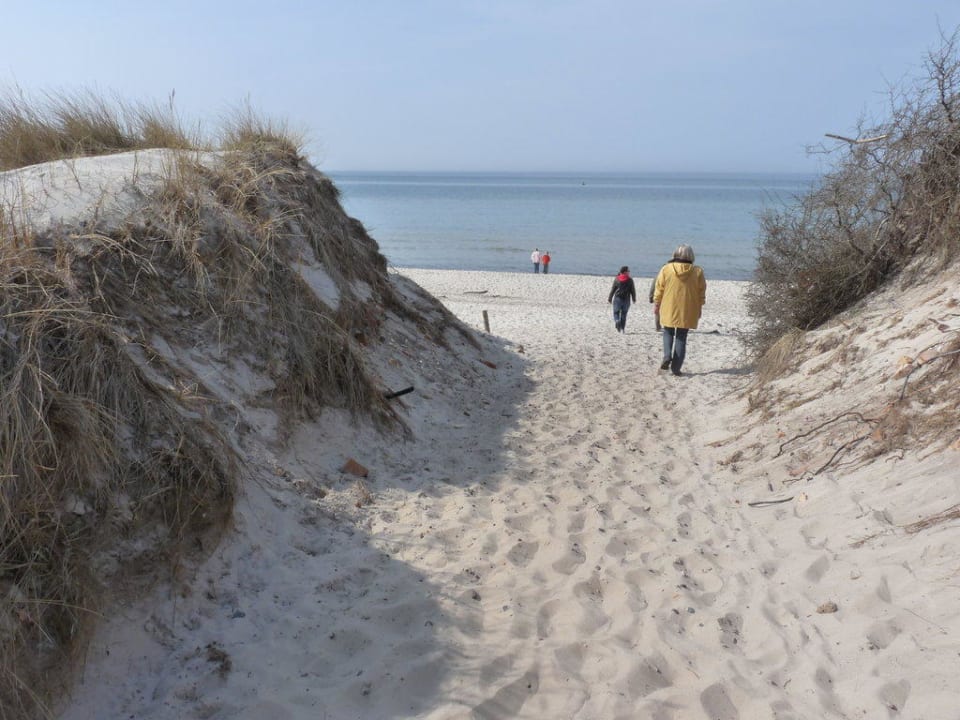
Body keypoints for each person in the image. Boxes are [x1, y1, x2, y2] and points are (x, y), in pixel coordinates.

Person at [653, 244, 706, 376]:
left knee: (668, 332)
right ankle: (676, 368)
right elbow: (701, 292)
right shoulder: (697, 271)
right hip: (689, 308)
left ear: (675, 254)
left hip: (669, 306)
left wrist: (657, 303)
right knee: (681, 337)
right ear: (691, 255)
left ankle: (666, 356)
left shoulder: (666, 269)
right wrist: (700, 306)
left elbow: (659, 288)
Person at [607, 265, 637, 333]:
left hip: (617, 298)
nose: (629, 272)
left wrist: (610, 298)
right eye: (628, 271)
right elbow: (633, 290)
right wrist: (634, 299)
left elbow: (613, 289)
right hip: (626, 299)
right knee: (624, 314)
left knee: (616, 313)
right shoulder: (630, 280)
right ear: (625, 272)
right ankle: (622, 329)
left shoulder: (617, 279)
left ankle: (617, 321)